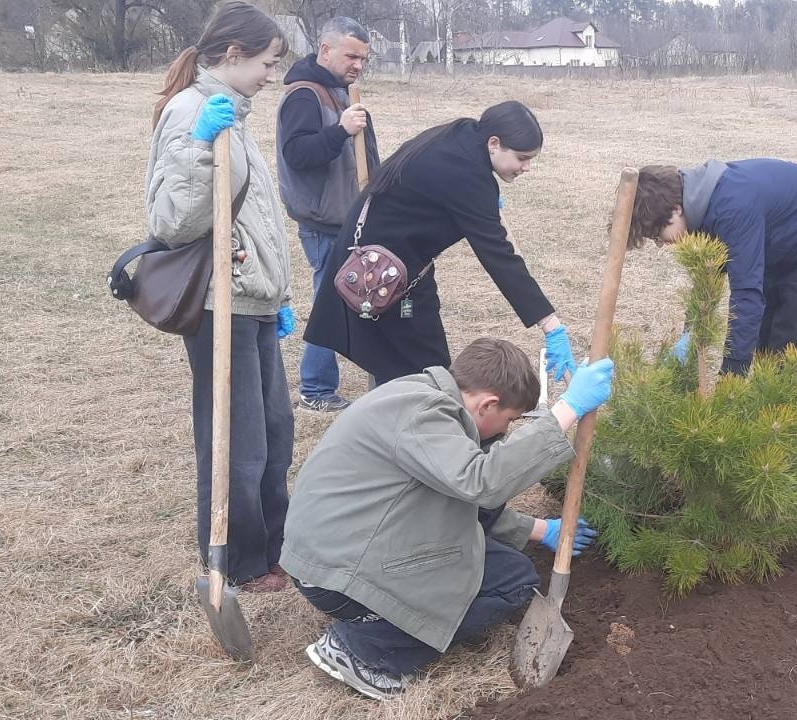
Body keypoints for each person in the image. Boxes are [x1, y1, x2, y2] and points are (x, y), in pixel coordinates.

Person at [280, 337, 613, 699]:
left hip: (341, 553)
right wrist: (569, 409)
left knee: (508, 571)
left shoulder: (419, 396)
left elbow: (455, 502)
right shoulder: (423, 415)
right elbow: (481, 482)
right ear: (488, 404)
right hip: (338, 577)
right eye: (510, 421)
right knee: (506, 584)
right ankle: (364, 649)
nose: (505, 433)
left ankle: (376, 618)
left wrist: (539, 529)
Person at [146, 1, 294, 593]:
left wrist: (274, 288)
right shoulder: (192, 113)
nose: (271, 74)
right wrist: (199, 147)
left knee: (276, 430)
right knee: (239, 441)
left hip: (251, 296)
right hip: (217, 304)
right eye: (266, 61)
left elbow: (250, 212)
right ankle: (237, 562)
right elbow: (174, 219)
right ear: (233, 55)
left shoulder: (234, 110)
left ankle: (276, 545)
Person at [304, 101, 578, 385]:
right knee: (422, 371)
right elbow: (499, 258)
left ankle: (393, 412)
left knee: (407, 359)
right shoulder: (468, 174)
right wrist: (550, 325)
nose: (527, 167)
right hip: (378, 271)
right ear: (494, 143)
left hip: (401, 265)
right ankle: (400, 419)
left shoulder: (463, 135)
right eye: (522, 158)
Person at [626, 159, 797, 376]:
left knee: (790, 355)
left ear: (675, 209)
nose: (661, 244)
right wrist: (691, 334)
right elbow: (708, 281)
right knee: (764, 346)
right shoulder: (697, 208)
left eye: (658, 234)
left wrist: (732, 375)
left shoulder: (731, 209)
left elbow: (746, 294)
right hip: (780, 239)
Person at [276, 16, 380, 412]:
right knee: (330, 302)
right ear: (325, 50)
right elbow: (298, 156)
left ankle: (327, 385)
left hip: (349, 216)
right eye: (351, 55)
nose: (358, 65)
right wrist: (340, 130)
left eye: (363, 59)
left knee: (348, 297)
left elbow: (363, 159)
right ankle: (316, 390)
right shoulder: (305, 95)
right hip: (323, 223)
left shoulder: (340, 92)